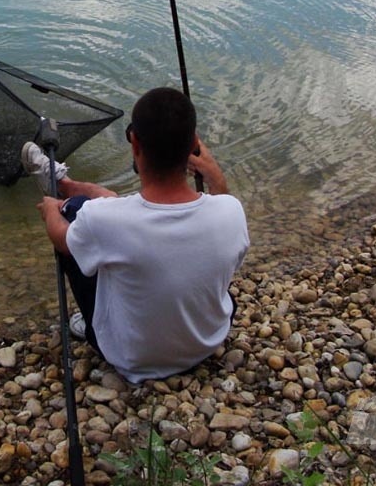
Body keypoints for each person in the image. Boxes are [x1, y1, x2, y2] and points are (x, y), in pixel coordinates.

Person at [21, 87, 249, 384]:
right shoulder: (230, 211)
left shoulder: (106, 219)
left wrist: (52, 209)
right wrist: (215, 175)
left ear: (135, 144)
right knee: (108, 216)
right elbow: (119, 213)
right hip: (206, 342)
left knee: (74, 214)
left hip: (129, 357)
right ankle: (63, 180)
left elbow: (61, 238)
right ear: (194, 145)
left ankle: (58, 189)